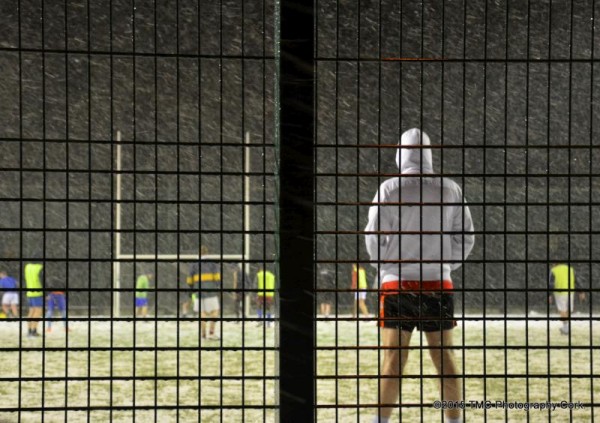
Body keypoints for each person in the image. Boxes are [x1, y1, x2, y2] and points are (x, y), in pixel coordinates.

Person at [365, 128, 475, 423]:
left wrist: (386, 265)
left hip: (397, 285)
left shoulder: (389, 188)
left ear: (400, 153)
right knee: (444, 359)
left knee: (392, 361)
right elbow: (466, 236)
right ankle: (454, 420)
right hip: (438, 284)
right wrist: (444, 264)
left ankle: (381, 421)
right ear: (429, 153)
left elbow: (372, 235)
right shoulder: (450, 188)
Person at [188, 246, 221, 340]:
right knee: (215, 311)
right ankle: (211, 333)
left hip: (199, 291)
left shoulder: (193, 264)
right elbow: (217, 277)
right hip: (210, 290)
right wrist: (218, 286)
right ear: (207, 253)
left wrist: (191, 289)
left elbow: (190, 279)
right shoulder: (212, 263)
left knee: (202, 313)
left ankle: (203, 335)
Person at [549, 263, 585, 335]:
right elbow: (576, 281)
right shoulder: (570, 269)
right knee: (568, 310)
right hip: (570, 292)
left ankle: (566, 328)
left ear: (554, 264)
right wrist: (581, 292)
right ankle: (566, 327)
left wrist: (549, 295)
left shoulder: (553, 270)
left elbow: (551, 284)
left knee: (562, 311)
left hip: (560, 293)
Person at [24, 262, 44, 338]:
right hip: (37, 293)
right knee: (38, 312)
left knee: (31, 312)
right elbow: (42, 281)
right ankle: (33, 331)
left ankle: (29, 331)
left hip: (29, 292)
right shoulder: (39, 268)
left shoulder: (27, 267)